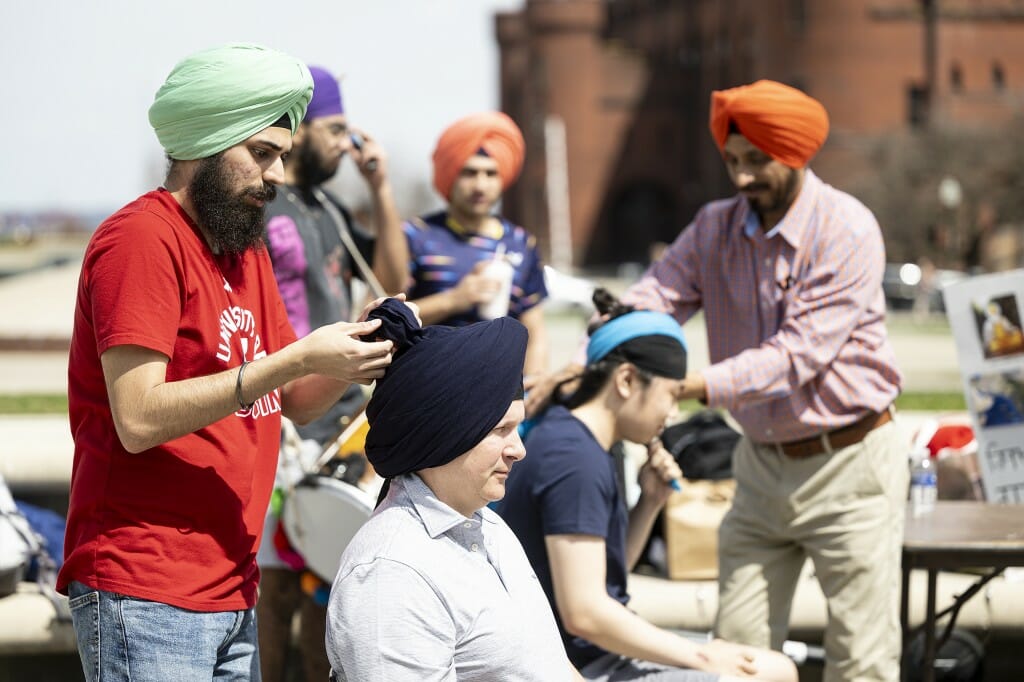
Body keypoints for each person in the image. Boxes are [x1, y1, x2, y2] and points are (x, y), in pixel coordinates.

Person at [533, 80, 907, 682]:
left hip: (850, 463)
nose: (741, 178)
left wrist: (679, 386)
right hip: (759, 463)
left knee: (862, 661)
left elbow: (796, 357)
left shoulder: (847, 229)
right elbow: (650, 302)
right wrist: (590, 361)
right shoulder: (714, 227)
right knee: (735, 653)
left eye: (756, 161)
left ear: (795, 153)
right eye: (732, 161)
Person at [57, 43, 397, 681]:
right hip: (145, 586)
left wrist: (364, 350)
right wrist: (292, 359)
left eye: (282, 158)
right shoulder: (140, 240)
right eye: (262, 154)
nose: (276, 175)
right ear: (208, 140)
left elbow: (296, 397)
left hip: (232, 583)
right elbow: (137, 416)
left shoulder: (245, 251)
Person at [498, 291, 797, 682]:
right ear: (626, 380)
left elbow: (603, 572)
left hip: (591, 654)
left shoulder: (580, 440)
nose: (673, 412)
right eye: (671, 394)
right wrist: (703, 657)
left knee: (776, 668)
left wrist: (650, 501)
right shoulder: (574, 459)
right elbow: (584, 613)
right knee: (768, 675)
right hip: (576, 665)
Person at [325, 299, 580, 681]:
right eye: (500, 431)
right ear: (443, 436)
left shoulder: (488, 527)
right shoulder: (392, 575)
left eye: (517, 429)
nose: (519, 450)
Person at [256, 64, 408, 682]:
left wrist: (382, 189)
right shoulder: (260, 204)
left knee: (330, 600)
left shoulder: (330, 208)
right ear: (302, 127)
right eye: (336, 129)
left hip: (337, 418)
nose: (347, 144)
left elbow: (393, 280)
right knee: (273, 595)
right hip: (278, 419)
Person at [404, 111, 549, 378]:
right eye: (469, 172)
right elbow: (383, 316)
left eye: (491, 174)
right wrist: (453, 300)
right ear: (450, 174)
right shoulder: (416, 236)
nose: (480, 185)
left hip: (498, 394)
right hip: (427, 386)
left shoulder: (521, 244)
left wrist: (531, 388)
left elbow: (535, 333)